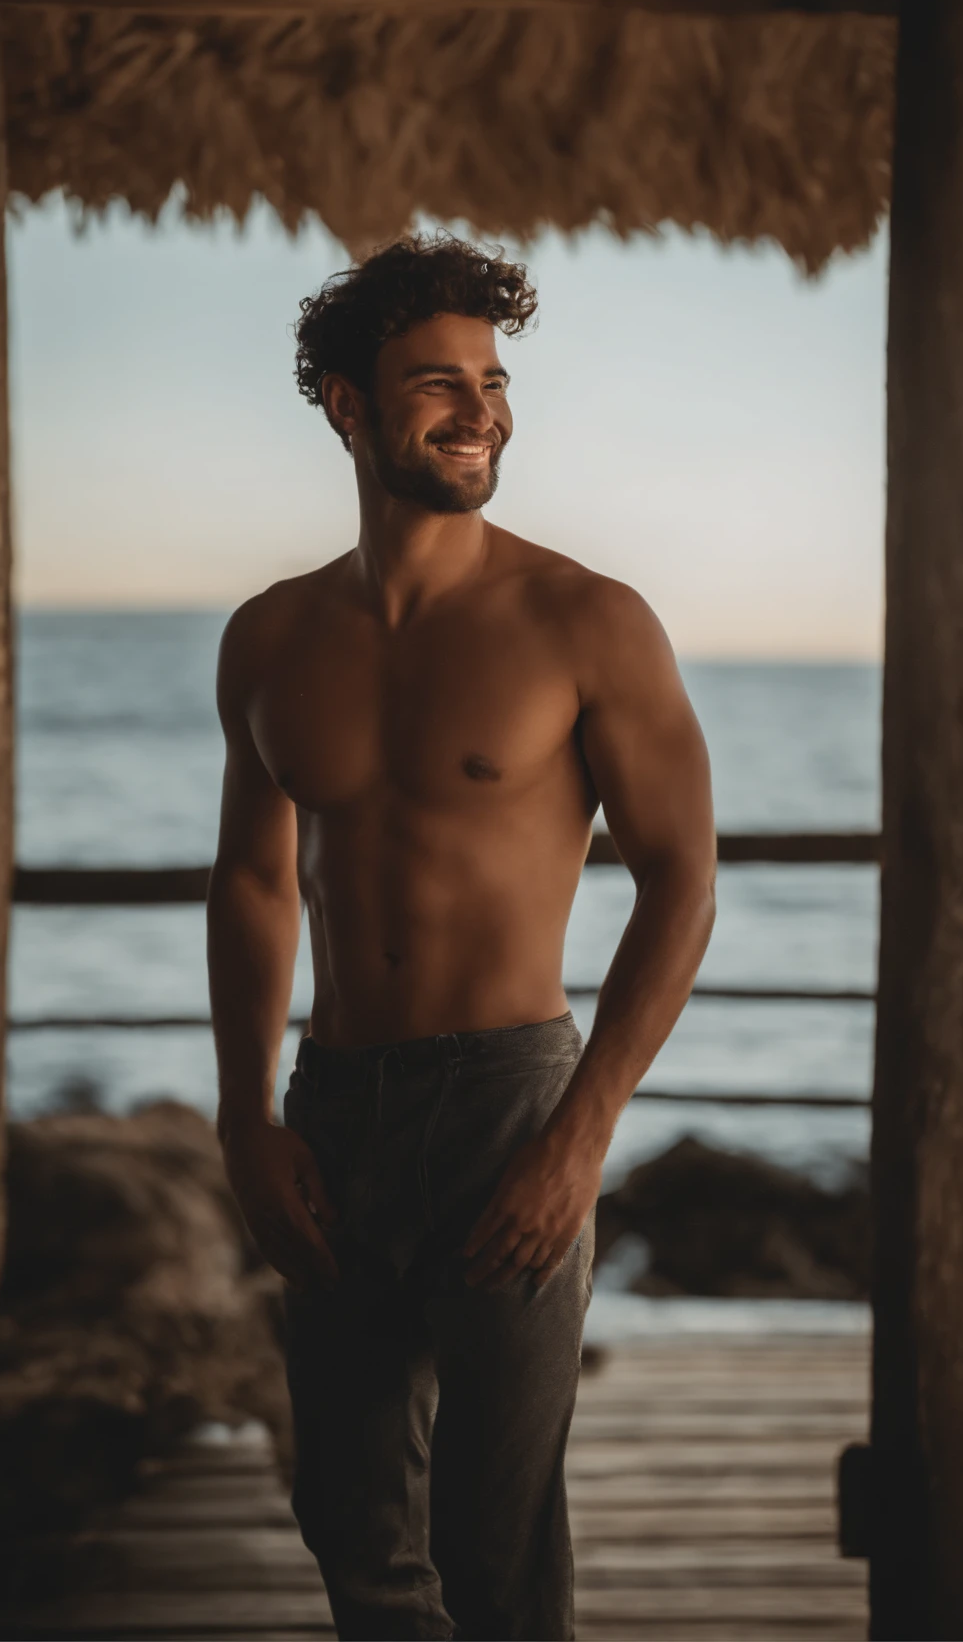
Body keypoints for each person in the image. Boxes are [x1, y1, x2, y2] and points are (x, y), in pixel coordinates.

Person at [207, 234, 716, 1641]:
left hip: (508, 1103)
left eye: (493, 380)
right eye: (439, 382)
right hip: (335, 1105)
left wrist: (578, 1137)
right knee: (350, 1522)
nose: (481, 408)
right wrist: (247, 1120)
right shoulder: (268, 638)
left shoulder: (586, 621)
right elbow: (255, 882)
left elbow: (680, 880)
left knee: (497, 1551)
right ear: (345, 405)